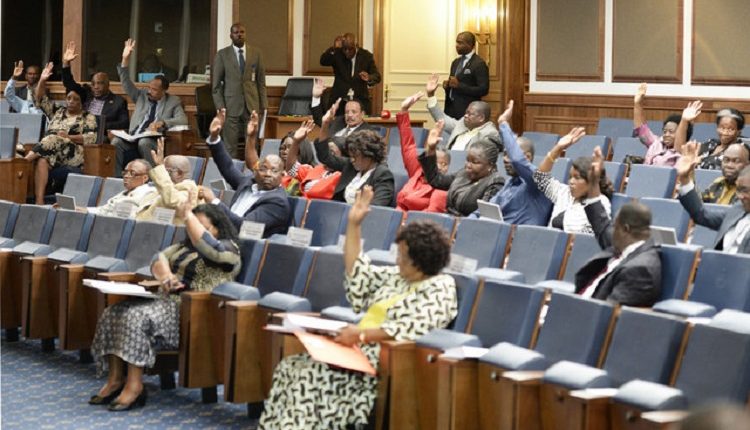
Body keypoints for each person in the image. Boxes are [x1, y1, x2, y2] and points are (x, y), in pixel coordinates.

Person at [258, 186, 457, 429]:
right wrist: (354, 224)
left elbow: (414, 327)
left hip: (379, 363)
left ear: (422, 259)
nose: (397, 261)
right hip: (354, 352)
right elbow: (359, 274)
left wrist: (361, 334)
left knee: (307, 377)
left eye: (403, 257)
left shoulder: (441, 287)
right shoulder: (400, 276)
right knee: (290, 367)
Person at [89, 197, 241, 411]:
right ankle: (115, 379)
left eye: (201, 227)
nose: (193, 230)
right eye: (191, 225)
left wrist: (187, 216)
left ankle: (135, 385)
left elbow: (212, 249)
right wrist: (166, 276)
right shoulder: (185, 246)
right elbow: (158, 257)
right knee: (114, 312)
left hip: (191, 313)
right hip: (164, 303)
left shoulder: (230, 250)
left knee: (135, 317)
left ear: (218, 228)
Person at [573, 148, 662, 306]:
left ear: (625, 229)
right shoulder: (627, 244)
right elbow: (601, 225)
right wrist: (593, 183)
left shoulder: (641, 270)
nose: (611, 230)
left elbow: (606, 313)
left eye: (614, 226)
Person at [202, 109, 291, 237]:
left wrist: (214, 202)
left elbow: (243, 226)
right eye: (263, 169)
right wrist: (215, 138)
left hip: (243, 244)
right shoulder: (248, 183)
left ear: (282, 175)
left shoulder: (277, 202)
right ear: (256, 171)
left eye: (274, 171)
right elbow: (227, 167)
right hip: (222, 236)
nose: (268, 174)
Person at [24, 62, 98, 205]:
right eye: (68, 98)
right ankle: (39, 201)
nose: (71, 102)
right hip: (51, 152)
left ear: (81, 102)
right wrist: (42, 80)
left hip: (73, 154)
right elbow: (40, 98)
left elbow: (91, 138)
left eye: (75, 99)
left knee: (53, 138)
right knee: (42, 160)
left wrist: (68, 137)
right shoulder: (57, 111)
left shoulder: (88, 117)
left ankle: (24, 162)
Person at [112, 39, 188, 176]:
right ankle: (117, 177)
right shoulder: (141, 95)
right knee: (116, 141)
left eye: (154, 90)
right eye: (149, 87)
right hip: (133, 136)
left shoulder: (173, 101)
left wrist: (163, 123)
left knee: (144, 142)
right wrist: (125, 59)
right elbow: (126, 82)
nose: (149, 91)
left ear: (163, 91)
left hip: (152, 139)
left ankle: (154, 178)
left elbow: (183, 120)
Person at [470, 100, 552, 225]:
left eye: (510, 154)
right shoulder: (510, 183)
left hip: (522, 235)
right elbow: (485, 210)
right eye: (504, 154)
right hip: (499, 232)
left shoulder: (537, 182)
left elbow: (517, 159)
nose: (505, 159)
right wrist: (466, 222)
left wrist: (503, 123)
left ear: (527, 157)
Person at [314, 99, 396, 207]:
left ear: (368, 155)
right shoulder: (351, 165)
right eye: (351, 156)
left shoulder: (382, 175)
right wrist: (325, 123)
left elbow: (378, 209)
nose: (351, 159)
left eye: (355, 156)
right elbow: (325, 156)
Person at [533, 128, 613, 234]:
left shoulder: (600, 202)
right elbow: (540, 177)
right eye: (570, 177)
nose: (571, 181)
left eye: (577, 177)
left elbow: (591, 236)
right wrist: (558, 148)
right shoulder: (564, 192)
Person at [419, 119, 505, 216]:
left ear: (490, 165)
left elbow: (483, 215)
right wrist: (431, 149)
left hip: (468, 223)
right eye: (467, 160)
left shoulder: (495, 182)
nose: (468, 165)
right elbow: (436, 180)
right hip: (448, 219)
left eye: (475, 162)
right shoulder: (464, 173)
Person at [676, 141, 750, 254]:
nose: (740, 196)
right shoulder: (738, 210)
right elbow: (701, 215)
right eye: (739, 190)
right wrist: (684, 178)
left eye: (745, 190)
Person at [212, 23, 268, 158]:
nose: (239, 35)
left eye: (242, 32)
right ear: (231, 35)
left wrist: (263, 105)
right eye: (236, 32)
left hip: (251, 105)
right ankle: (230, 170)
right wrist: (220, 107)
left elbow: (261, 82)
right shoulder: (222, 54)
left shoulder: (256, 53)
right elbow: (216, 86)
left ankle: (252, 170)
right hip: (230, 106)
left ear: (245, 34)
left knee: (252, 144)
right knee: (230, 146)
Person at [61, 41, 129, 138]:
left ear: (108, 85)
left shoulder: (118, 101)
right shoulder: (86, 94)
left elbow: (124, 123)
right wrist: (66, 63)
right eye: (93, 84)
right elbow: (69, 84)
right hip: (79, 132)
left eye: (100, 83)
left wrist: (100, 125)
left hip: (99, 136)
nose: (96, 87)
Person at [396, 91, 449, 212]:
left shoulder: (442, 189)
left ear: (445, 167)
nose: (428, 161)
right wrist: (404, 110)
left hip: (416, 222)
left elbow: (429, 217)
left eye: (443, 163)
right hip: (396, 217)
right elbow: (407, 145)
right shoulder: (417, 171)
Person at [425, 73, 502, 151]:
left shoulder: (490, 134)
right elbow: (441, 119)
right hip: (449, 157)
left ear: (481, 118)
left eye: (470, 114)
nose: (465, 116)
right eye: (466, 113)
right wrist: (431, 95)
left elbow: (481, 156)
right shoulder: (463, 124)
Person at [136, 139, 201, 224]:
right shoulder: (165, 188)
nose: (163, 174)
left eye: (166, 171)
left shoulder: (189, 191)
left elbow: (172, 201)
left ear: (179, 173)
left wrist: (160, 166)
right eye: (163, 171)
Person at [632, 82, 693, 167]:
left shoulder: (684, 152)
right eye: (664, 131)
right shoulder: (657, 143)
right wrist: (637, 104)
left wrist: (684, 120)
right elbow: (641, 131)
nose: (666, 135)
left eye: (671, 132)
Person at [320, 33, 381, 115]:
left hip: (360, 102)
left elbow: (377, 76)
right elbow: (323, 61)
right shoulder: (338, 53)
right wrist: (333, 48)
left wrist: (369, 77)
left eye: (350, 49)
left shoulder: (366, 56)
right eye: (344, 49)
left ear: (356, 46)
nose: (347, 52)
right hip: (339, 102)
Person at [675, 100, 745, 170]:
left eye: (730, 129)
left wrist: (697, 161)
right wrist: (684, 120)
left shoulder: (740, 150)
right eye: (722, 128)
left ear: (739, 131)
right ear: (717, 128)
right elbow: (680, 149)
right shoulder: (712, 143)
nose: (725, 132)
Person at [284, 119, 343, 200]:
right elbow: (291, 168)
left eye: (332, 152)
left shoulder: (343, 176)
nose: (327, 155)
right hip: (304, 205)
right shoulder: (317, 169)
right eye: (327, 152)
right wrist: (296, 142)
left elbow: (317, 192)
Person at [443, 31, 490, 120]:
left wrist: (459, 86)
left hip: (467, 112)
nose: (457, 45)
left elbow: (483, 90)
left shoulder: (479, 63)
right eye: (456, 42)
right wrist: (447, 86)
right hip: (450, 110)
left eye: (460, 43)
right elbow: (453, 84)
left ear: (470, 45)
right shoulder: (455, 62)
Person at [87, 159, 156, 216]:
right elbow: (103, 210)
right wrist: (84, 210)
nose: (126, 176)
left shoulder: (149, 193)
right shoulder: (124, 193)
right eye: (125, 172)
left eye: (132, 173)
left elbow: (135, 216)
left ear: (145, 178)